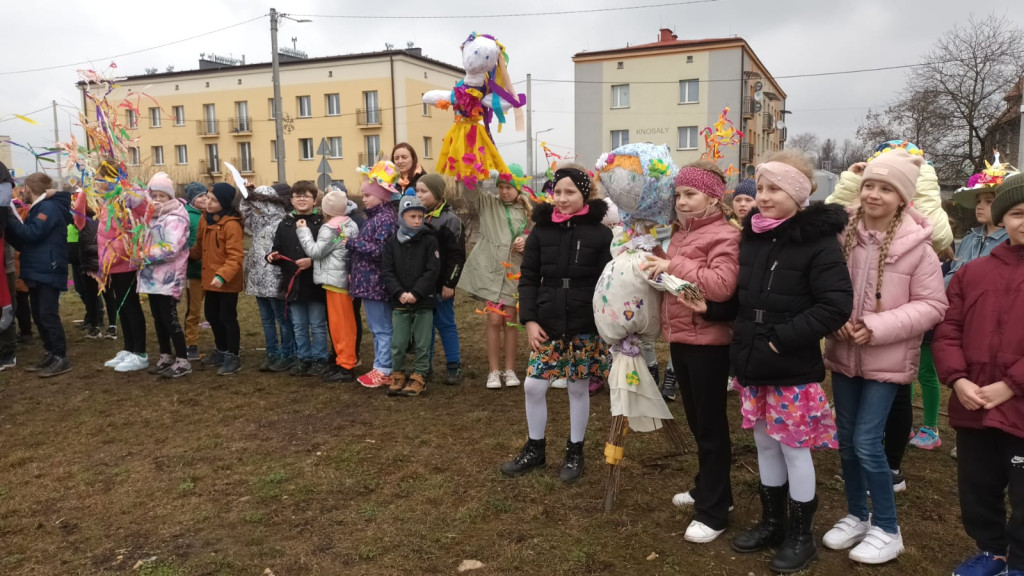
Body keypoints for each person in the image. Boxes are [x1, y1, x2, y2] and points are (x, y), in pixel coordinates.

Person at [681, 151, 853, 573]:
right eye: (760, 188)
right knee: (763, 442)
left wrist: (780, 342)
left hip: (788, 365)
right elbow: (745, 299)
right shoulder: (754, 237)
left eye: (774, 188)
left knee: (794, 449)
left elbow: (835, 306)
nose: (763, 196)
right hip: (752, 361)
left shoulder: (817, 242)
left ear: (797, 193)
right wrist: (714, 311)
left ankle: (800, 534)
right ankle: (771, 521)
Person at [821, 149, 948, 566]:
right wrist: (836, 319)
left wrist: (876, 327)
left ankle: (888, 528)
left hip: (886, 361)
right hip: (843, 354)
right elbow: (822, 285)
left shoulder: (919, 250)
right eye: (870, 185)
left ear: (903, 199)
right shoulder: (842, 236)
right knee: (845, 439)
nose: (874, 194)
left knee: (867, 442)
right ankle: (858, 514)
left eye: (886, 188)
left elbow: (932, 306)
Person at [640, 161, 740, 544]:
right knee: (699, 423)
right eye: (679, 194)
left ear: (713, 197)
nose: (681, 202)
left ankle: (713, 513)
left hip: (710, 344)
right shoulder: (681, 234)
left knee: (711, 427)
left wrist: (672, 264)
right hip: (681, 338)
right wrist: (655, 266)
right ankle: (711, 489)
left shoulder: (725, 236)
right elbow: (677, 283)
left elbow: (720, 286)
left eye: (690, 194)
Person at [934, 172, 1024, 576]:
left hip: (1019, 407)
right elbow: (948, 330)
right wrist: (958, 379)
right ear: (1004, 219)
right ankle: (992, 550)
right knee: (978, 485)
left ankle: (1020, 561)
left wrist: (1011, 385)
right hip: (973, 402)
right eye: (1019, 213)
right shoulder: (974, 273)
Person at [499, 165, 612, 484]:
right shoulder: (541, 231)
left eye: (569, 192)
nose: (561, 198)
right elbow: (530, 278)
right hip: (547, 318)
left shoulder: (600, 233)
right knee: (534, 384)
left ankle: (575, 451)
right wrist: (530, 319)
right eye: (557, 192)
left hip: (583, 320)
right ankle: (535, 447)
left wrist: (604, 322)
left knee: (578, 387)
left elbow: (607, 281)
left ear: (585, 194)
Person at [458, 165, 532, 389]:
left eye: (509, 187)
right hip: (491, 270)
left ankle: (509, 370)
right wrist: (470, 163)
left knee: (510, 320)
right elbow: (469, 191)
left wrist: (525, 241)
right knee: (493, 319)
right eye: (500, 186)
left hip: (513, 270)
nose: (504, 191)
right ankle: (493, 371)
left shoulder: (528, 210)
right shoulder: (489, 203)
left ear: (517, 188)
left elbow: (535, 235)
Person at [6, 173, 74, 377]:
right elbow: (25, 240)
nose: (21, 193)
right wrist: (9, 230)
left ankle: (61, 356)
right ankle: (51, 352)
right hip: (38, 268)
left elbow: (33, 233)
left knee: (47, 314)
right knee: (39, 314)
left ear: (28, 188)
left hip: (48, 268)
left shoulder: (48, 208)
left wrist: (8, 217)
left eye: (22, 189)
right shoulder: (39, 208)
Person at [296, 186, 360, 383]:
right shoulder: (350, 224)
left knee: (340, 325)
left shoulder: (330, 227)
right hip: (345, 280)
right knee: (346, 323)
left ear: (327, 209)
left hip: (334, 282)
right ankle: (343, 360)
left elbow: (315, 252)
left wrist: (303, 231)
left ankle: (346, 364)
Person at [348, 162, 400, 388]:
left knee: (382, 329)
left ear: (381, 195)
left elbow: (382, 251)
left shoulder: (385, 219)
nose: (364, 199)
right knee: (378, 328)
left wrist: (353, 244)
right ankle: (381, 365)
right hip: (368, 283)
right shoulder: (376, 217)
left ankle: (384, 369)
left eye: (368, 194)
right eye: (363, 194)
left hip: (376, 284)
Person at [267, 181, 328, 377]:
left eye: (306, 196)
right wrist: (272, 256)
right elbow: (277, 248)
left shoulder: (322, 223)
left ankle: (320, 358)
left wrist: (312, 261)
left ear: (314, 200)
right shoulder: (284, 224)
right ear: (291, 200)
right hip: (292, 284)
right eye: (297, 196)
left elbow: (328, 252)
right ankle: (304, 358)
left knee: (318, 324)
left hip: (314, 283)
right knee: (299, 324)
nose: (301, 199)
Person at [382, 196, 440, 396]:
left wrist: (416, 292)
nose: (417, 220)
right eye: (412, 216)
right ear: (401, 216)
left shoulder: (429, 240)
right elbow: (387, 271)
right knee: (398, 343)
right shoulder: (391, 243)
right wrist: (400, 293)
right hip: (400, 302)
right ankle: (398, 373)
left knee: (423, 343)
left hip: (423, 300)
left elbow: (432, 270)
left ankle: (419, 376)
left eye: (420, 216)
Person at [136, 173, 192, 378]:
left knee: (169, 319)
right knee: (158, 318)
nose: (158, 199)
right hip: (152, 277)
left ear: (170, 198)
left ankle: (183, 359)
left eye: (162, 196)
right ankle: (165, 355)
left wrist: (143, 255)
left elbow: (171, 248)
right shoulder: (151, 217)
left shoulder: (176, 218)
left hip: (169, 277)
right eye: (154, 195)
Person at [97, 162, 150, 373]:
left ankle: (140, 353)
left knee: (131, 306)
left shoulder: (128, 200)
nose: (98, 184)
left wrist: (110, 256)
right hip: (112, 262)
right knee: (121, 306)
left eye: (102, 179)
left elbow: (128, 234)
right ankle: (129, 349)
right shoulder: (111, 200)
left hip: (124, 261)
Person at [415, 174, 466, 384]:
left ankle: (453, 365)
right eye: (417, 191)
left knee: (445, 324)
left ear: (436, 193)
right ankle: (424, 367)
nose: (419, 195)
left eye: (423, 191)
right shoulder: (415, 216)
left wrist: (449, 283)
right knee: (423, 328)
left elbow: (457, 256)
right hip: (421, 286)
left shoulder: (450, 220)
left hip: (441, 286)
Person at [189, 182, 244, 375]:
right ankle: (221, 349)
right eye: (207, 198)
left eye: (213, 200)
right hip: (210, 279)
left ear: (224, 202)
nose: (207, 202)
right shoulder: (206, 219)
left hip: (226, 281)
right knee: (212, 315)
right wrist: (184, 257)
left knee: (227, 317)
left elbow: (235, 256)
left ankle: (233, 355)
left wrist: (223, 275)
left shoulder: (231, 225)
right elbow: (199, 247)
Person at [241, 184, 294, 373]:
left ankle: (288, 353)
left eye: (258, 204)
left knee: (282, 319)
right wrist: (247, 194)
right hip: (257, 280)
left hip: (275, 279)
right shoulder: (258, 222)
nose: (255, 209)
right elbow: (244, 214)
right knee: (266, 319)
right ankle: (271, 352)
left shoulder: (282, 222)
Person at [183, 182, 207, 360]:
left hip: (212, 271)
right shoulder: (186, 216)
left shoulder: (210, 215)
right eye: (200, 196)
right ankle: (190, 343)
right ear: (192, 199)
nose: (205, 199)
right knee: (193, 310)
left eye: (206, 196)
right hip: (194, 271)